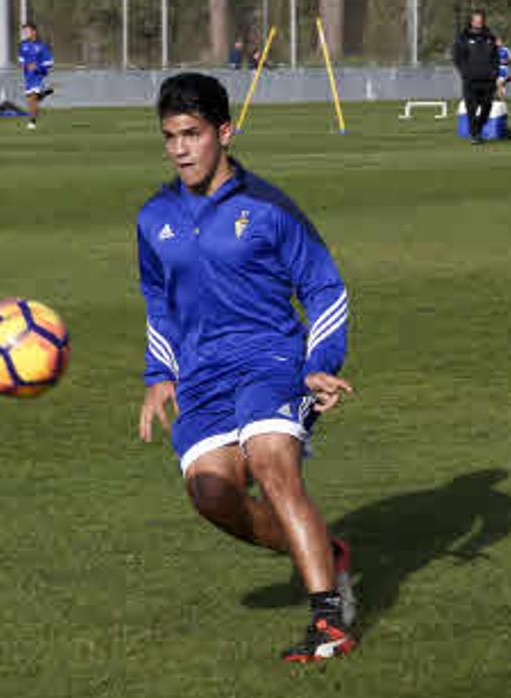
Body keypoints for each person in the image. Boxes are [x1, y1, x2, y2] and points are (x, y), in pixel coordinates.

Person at [136, 72, 358, 663]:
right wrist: (159, 375)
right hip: (202, 375)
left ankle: (328, 620)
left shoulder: (268, 208)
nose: (180, 148)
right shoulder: (153, 217)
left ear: (224, 132)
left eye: (192, 133)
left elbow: (325, 287)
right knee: (212, 495)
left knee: (270, 458)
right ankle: (323, 555)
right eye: (170, 136)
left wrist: (319, 363)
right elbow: (158, 301)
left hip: (272, 360)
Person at [454, 11, 500, 145]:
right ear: (471, 21)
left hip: (488, 80)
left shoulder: (490, 37)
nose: (479, 22)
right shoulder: (463, 37)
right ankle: (475, 135)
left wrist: (495, 72)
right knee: (471, 109)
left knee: (487, 108)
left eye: (481, 20)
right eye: (476, 20)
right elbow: (458, 57)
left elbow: (495, 57)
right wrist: (465, 72)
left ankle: (478, 128)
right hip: (471, 80)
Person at [18, 23, 54, 130]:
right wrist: (25, 65)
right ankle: (42, 94)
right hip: (28, 76)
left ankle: (32, 122)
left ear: (34, 32)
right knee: (32, 99)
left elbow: (49, 62)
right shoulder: (23, 45)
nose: (25, 33)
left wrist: (37, 67)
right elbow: (21, 60)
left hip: (38, 76)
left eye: (27, 31)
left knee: (32, 98)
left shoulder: (41, 46)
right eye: (24, 32)